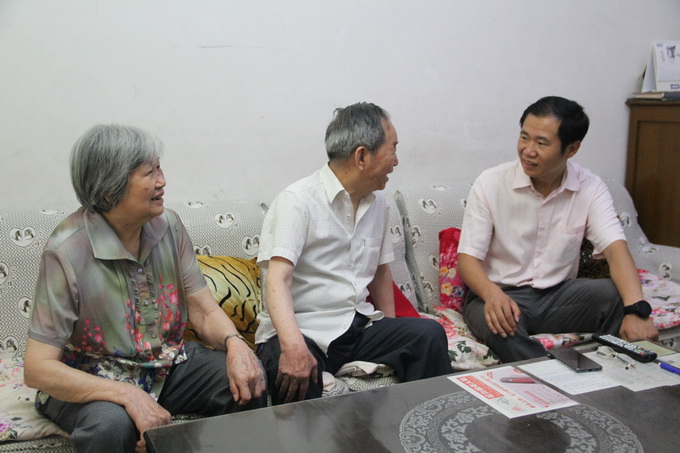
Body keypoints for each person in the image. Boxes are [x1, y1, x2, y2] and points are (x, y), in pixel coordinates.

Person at [24, 125, 267, 453]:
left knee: (246, 382)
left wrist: (235, 344)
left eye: (159, 168)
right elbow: (38, 368)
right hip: (91, 374)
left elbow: (204, 310)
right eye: (149, 173)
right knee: (110, 425)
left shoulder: (169, 226)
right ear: (109, 190)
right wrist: (129, 395)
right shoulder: (67, 250)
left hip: (166, 365)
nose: (162, 181)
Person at [255, 102, 452, 405]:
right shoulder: (297, 201)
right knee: (296, 375)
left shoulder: (379, 204)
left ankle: (426, 423)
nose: (396, 161)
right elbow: (277, 279)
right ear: (362, 156)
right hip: (300, 330)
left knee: (428, 334)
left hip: (355, 327)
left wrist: (389, 327)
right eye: (392, 149)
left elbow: (380, 272)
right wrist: (293, 346)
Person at [458, 96, 659, 363]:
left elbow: (616, 250)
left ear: (572, 149)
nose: (528, 150)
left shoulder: (590, 187)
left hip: (559, 297)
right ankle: (558, 376)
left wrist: (637, 311)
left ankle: (614, 372)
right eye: (524, 137)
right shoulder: (490, 183)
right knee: (501, 325)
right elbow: (468, 259)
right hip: (497, 294)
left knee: (614, 295)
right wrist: (492, 294)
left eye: (541, 143)